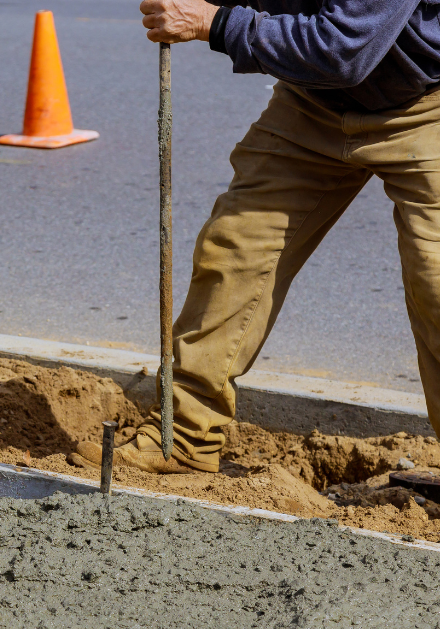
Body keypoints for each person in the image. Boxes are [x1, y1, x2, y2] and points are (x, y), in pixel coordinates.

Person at [69, 0, 440, 474]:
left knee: (435, 281)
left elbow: (345, 49)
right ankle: (185, 436)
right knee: (236, 249)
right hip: (313, 104)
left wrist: (212, 22)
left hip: (425, 104)